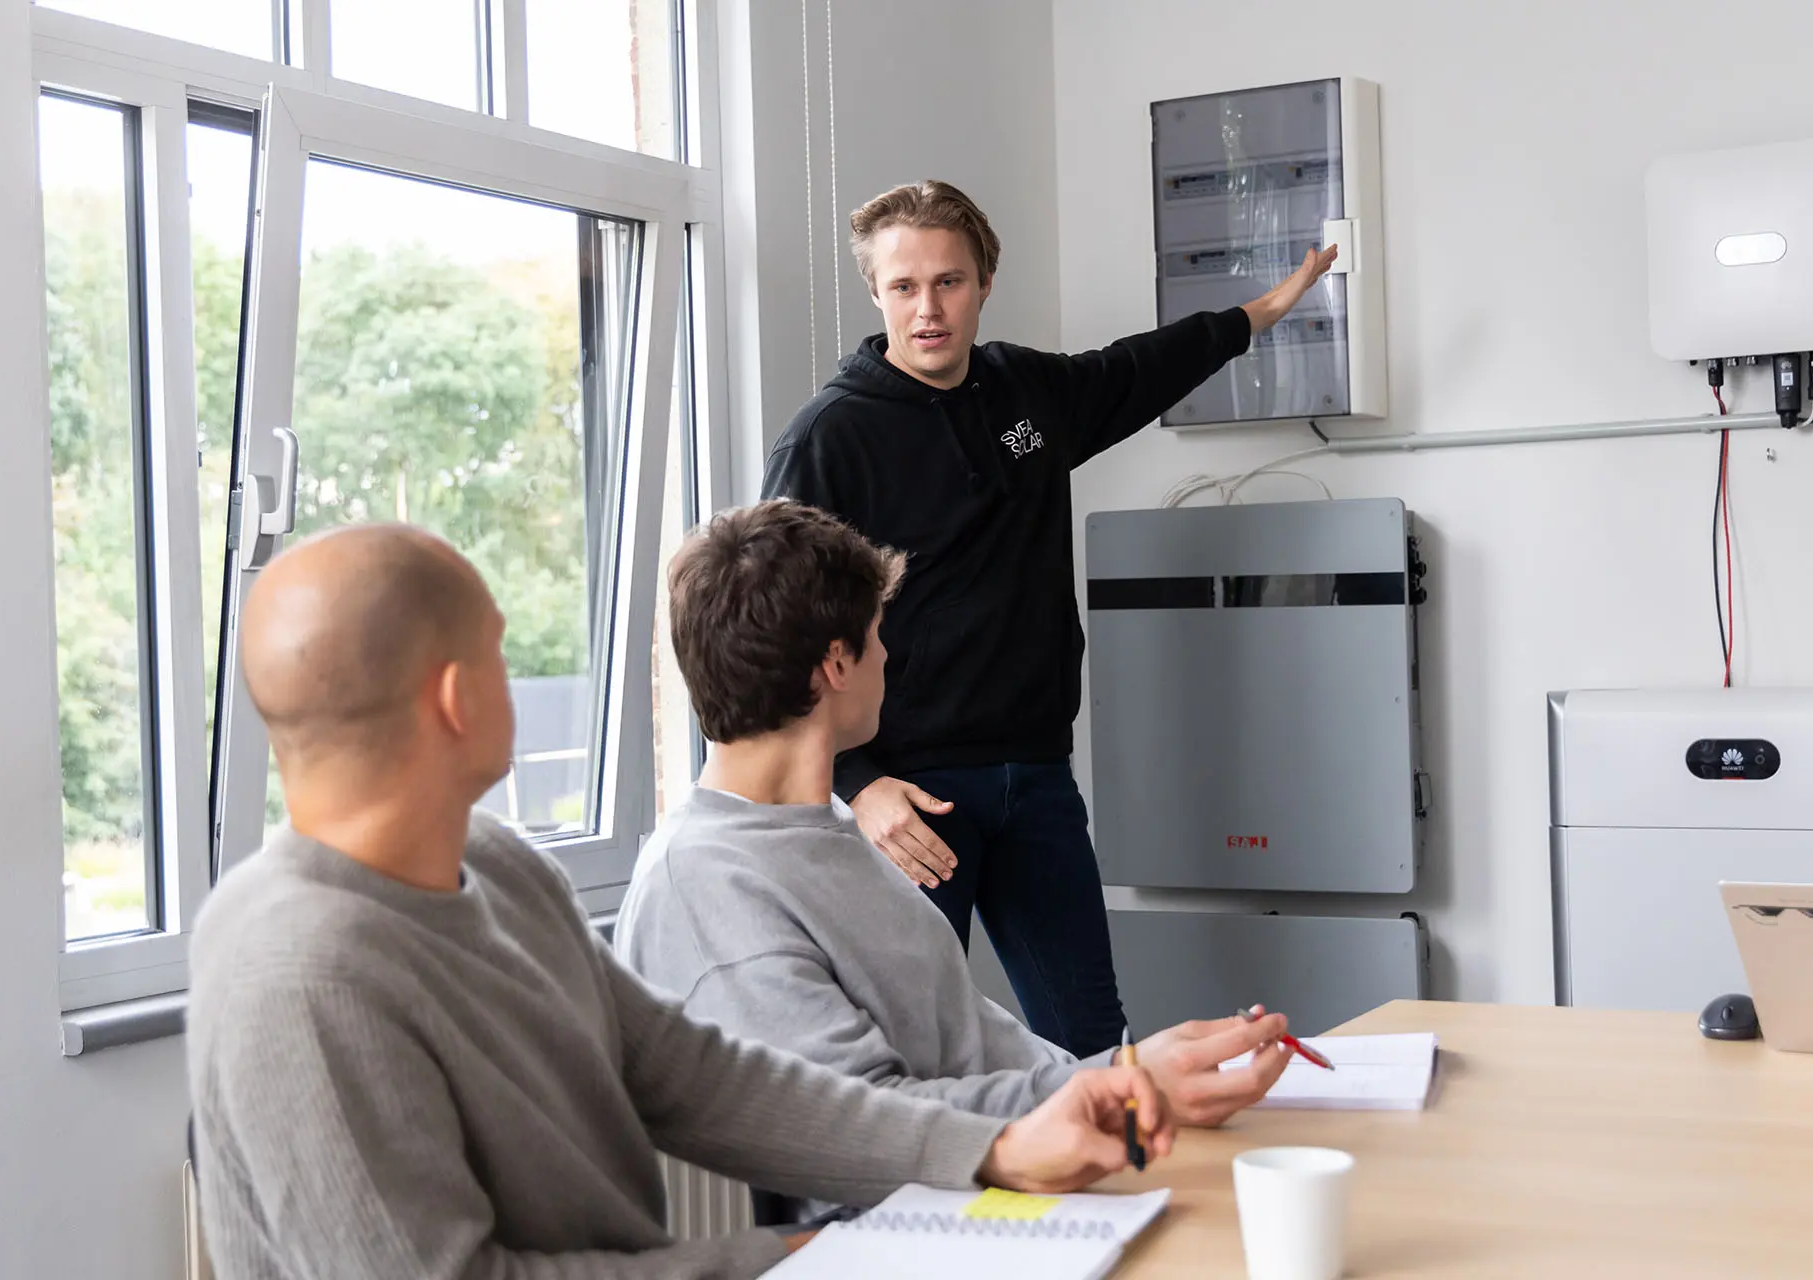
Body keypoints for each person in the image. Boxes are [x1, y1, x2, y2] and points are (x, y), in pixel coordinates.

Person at [185, 522, 1177, 1280]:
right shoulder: (302, 974)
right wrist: (789, 1255)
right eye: (498, 651)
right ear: (456, 698)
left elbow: (694, 1076)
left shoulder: (492, 861)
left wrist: (996, 1144)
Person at [760, 180, 1337, 1058]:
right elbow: (775, 637)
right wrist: (859, 783)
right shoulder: (829, 440)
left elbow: (1143, 366)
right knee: (915, 1056)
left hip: (1036, 781)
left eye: (949, 282)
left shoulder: (1026, 396)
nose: (928, 310)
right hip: (912, 798)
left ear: (985, 280)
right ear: (875, 294)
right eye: (905, 287)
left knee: (1093, 1048)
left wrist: (1265, 310)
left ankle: (1112, 1199)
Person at [615, 500, 1293, 1135]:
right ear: (838, 663)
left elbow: (973, 1046)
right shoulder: (706, 885)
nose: (889, 656)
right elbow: (864, 1127)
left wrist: (1133, 1077)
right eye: (879, 636)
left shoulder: (829, 835)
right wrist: (1120, 1085)